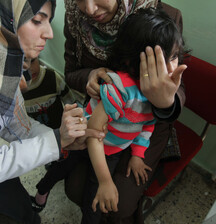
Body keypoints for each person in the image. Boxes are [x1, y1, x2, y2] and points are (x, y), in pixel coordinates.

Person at [63, 0, 187, 223]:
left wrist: (164, 102)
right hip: (107, 123)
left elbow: (177, 83)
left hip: (146, 124)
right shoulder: (74, 16)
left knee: (120, 206)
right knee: (75, 188)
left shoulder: (166, 16)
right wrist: (91, 76)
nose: (89, 10)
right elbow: (71, 72)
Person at [0, 1, 104, 224]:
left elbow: (18, 124)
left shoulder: (6, 68)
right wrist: (56, 140)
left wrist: (61, 139)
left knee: (18, 205)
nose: (50, 33)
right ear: (2, 22)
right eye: (36, 20)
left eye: (48, 21)